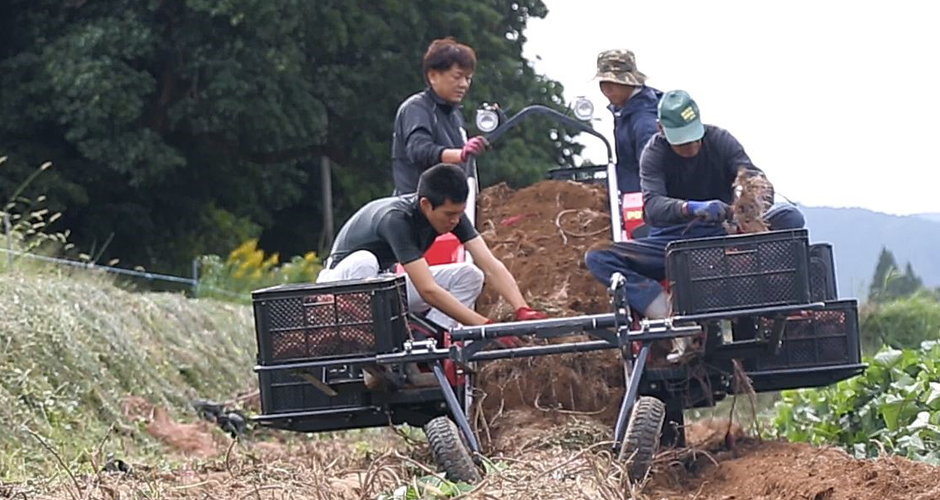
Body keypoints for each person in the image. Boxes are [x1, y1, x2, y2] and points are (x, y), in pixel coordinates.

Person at [584, 90, 804, 358]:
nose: (690, 148)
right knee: (599, 257)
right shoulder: (654, 154)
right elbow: (652, 207)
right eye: (681, 143)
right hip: (674, 242)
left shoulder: (720, 140)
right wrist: (689, 208)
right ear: (661, 129)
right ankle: (671, 317)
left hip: (724, 233)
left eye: (694, 139)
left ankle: (774, 302)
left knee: (791, 219)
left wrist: (749, 204)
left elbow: (757, 178)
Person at [318, 163, 546, 338]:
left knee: (470, 275)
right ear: (426, 204)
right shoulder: (396, 220)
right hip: (340, 287)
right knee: (365, 261)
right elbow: (427, 289)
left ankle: (431, 339)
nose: (456, 221)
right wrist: (484, 326)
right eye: (449, 214)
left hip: (381, 288)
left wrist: (521, 308)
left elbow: (490, 265)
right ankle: (369, 341)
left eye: (460, 213)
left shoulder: (453, 216)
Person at [391, 38, 490, 195]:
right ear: (433, 76)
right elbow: (419, 150)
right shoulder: (416, 108)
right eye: (457, 76)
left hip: (450, 211)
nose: (464, 84)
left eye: (468, 78)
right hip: (416, 209)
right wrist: (461, 154)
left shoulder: (456, 115)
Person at [594, 49, 662, 194]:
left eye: (613, 82)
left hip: (646, 201)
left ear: (629, 81)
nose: (607, 89)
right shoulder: (625, 110)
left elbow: (653, 172)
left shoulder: (645, 120)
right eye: (603, 83)